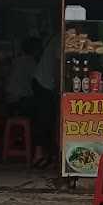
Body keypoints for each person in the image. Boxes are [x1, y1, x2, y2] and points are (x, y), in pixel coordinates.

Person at [31, 33, 60, 168]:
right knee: (44, 119)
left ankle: (49, 155)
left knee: (49, 120)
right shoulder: (60, 39)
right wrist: (60, 89)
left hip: (46, 83)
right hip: (44, 84)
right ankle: (39, 155)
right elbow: (58, 66)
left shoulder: (57, 38)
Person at [5, 37, 41, 117]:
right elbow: (37, 79)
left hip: (10, 97)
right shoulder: (31, 62)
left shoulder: (16, 60)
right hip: (21, 99)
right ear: (35, 50)